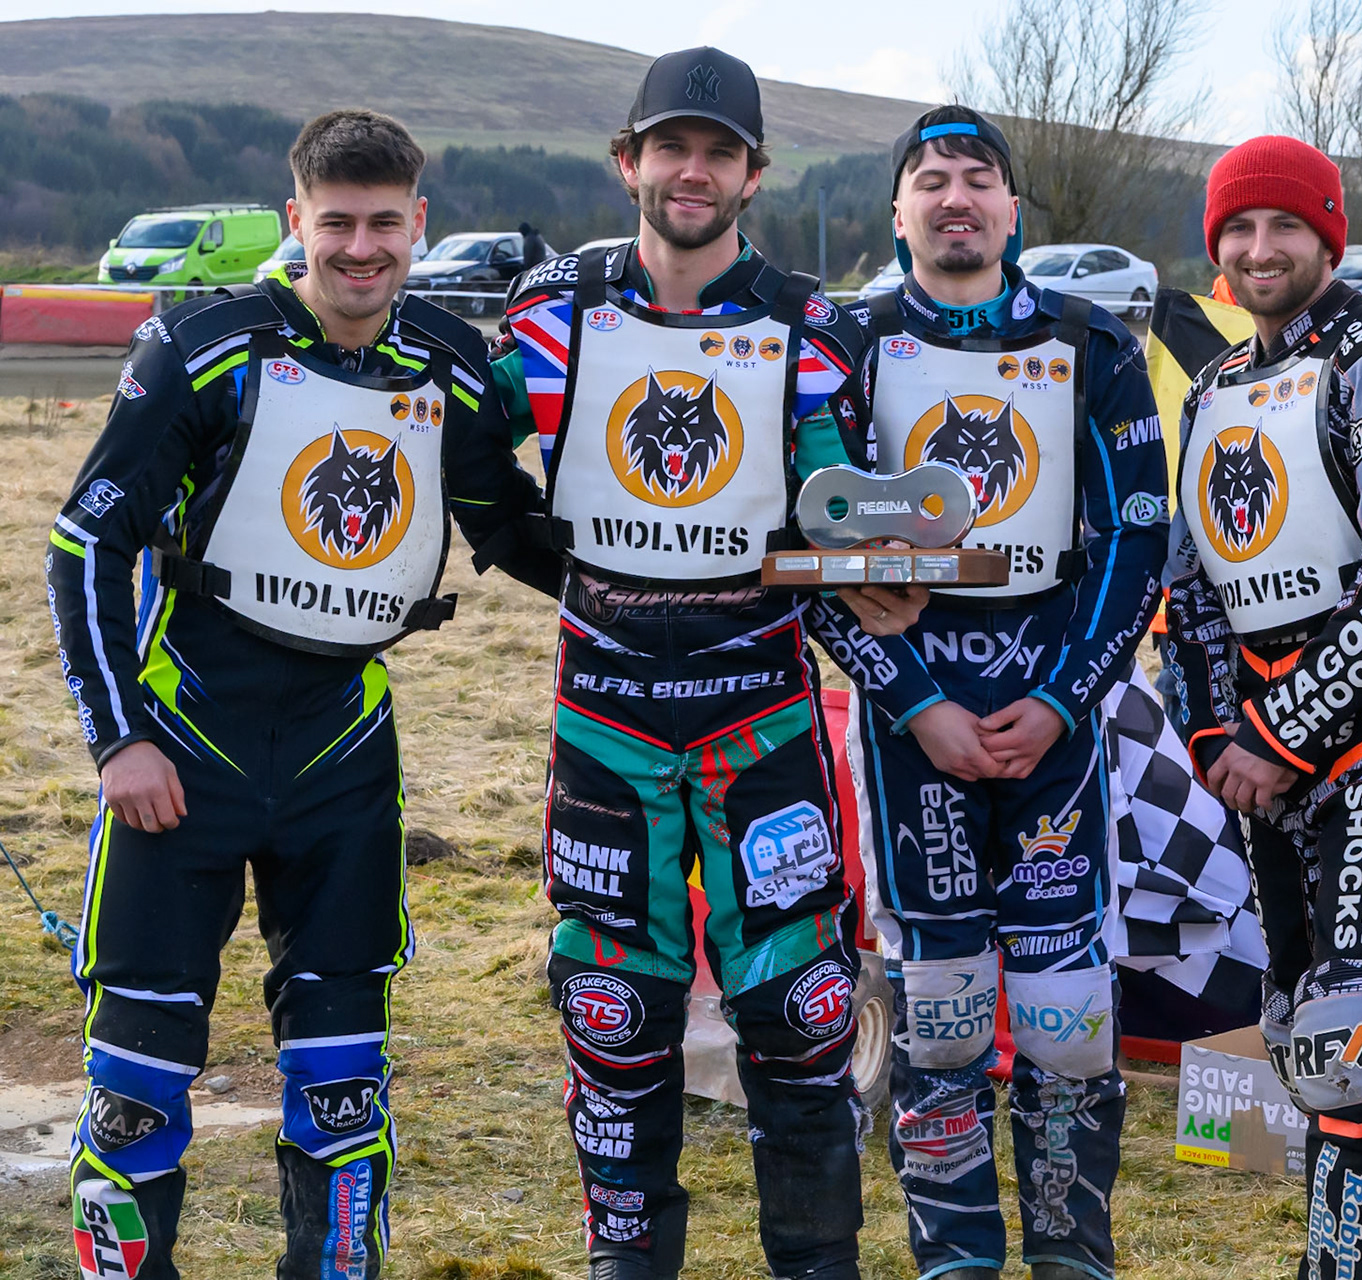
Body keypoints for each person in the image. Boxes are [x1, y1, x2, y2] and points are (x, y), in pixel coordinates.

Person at [48, 109, 556, 1280]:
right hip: (185, 743)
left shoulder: (451, 361)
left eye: (387, 223)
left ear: (419, 223)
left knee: (341, 1083)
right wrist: (118, 739)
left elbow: (507, 528)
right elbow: (84, 543)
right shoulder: (204, 344)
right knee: (136, 1078)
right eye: (338, 224)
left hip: (341, 755)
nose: (363, 248)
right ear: (297, 223)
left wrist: (674, 591)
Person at [487, 46, 922, 1280]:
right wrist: (568, 571)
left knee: (801, 1011)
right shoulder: (549, 310)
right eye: (671, 146)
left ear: (754, 174)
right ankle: (629, 1259)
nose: (694, 170)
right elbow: (468, 470)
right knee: (611, 1013)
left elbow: (841, 504)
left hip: (759, 718)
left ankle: (816, 1260)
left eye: (719, 151)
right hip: (608, 722)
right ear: (627, 162)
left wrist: (884, 565)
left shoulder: (812, 325)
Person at [839, 105, 1167, 1280]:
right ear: (899, 211)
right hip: (913, 723)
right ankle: (956, 1256)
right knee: (941, 1008)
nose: (956, 198)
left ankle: (1073, 1253)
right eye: (931, 179)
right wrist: (919, 700)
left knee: (1067, 1015)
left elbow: (1139, 541)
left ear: (1014, 207)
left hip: (1056, 724)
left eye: (979, 178)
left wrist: (1069, 700)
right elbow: (816, 549)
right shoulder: (849, 337)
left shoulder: (1094, 340)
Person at [1160, 135, 1362, 1280]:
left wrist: (1282, 732)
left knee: (1349, 1052)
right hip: (1263, 771)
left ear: (1328, 234)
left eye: (1284, 225)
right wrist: (1216, 743)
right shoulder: (1214, 388)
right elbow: (1188, 599)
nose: (1258, 249)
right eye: (1237, 231)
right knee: (1311, 1046)